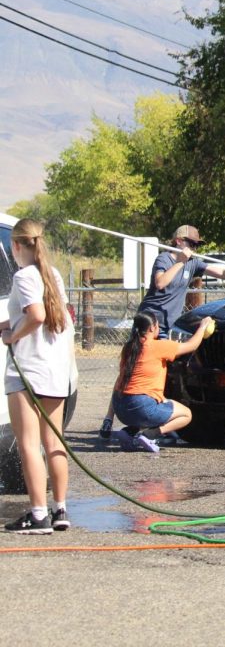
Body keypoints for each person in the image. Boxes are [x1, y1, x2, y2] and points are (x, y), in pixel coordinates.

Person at [100, 224, 225, 439]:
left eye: (197, 245)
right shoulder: (165, 259)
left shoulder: (193, 262)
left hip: (165, 327)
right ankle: (108, 419)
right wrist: (180, 261)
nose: (195, 248)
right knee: (131, 369)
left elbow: (218, 271)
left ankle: (152, 420)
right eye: (191, 243)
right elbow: (160, 283)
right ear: (179, 242)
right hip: (149, 322)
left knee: (161, 371)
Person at [1, 219, 74, 534]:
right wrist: (10, 324)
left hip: (28, 372)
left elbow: (37, 315)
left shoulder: (23, 276)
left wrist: (11, 336)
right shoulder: (52, 275)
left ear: (16, 246)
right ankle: (60, 509)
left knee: (30, 444)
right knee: (53, 440)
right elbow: (49, 318)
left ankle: (38, 514)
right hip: (55, 371)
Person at [111, 312, 211, 453]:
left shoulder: (128, 348)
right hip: (140, 405)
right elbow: (191, 345)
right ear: (152, 328)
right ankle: (150, 435)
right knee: (186, 415)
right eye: (157, 325)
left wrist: (109, 417)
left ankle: (128, 432)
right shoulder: (158, 346)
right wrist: (203, 326)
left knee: (157, 405)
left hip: (120, 407)